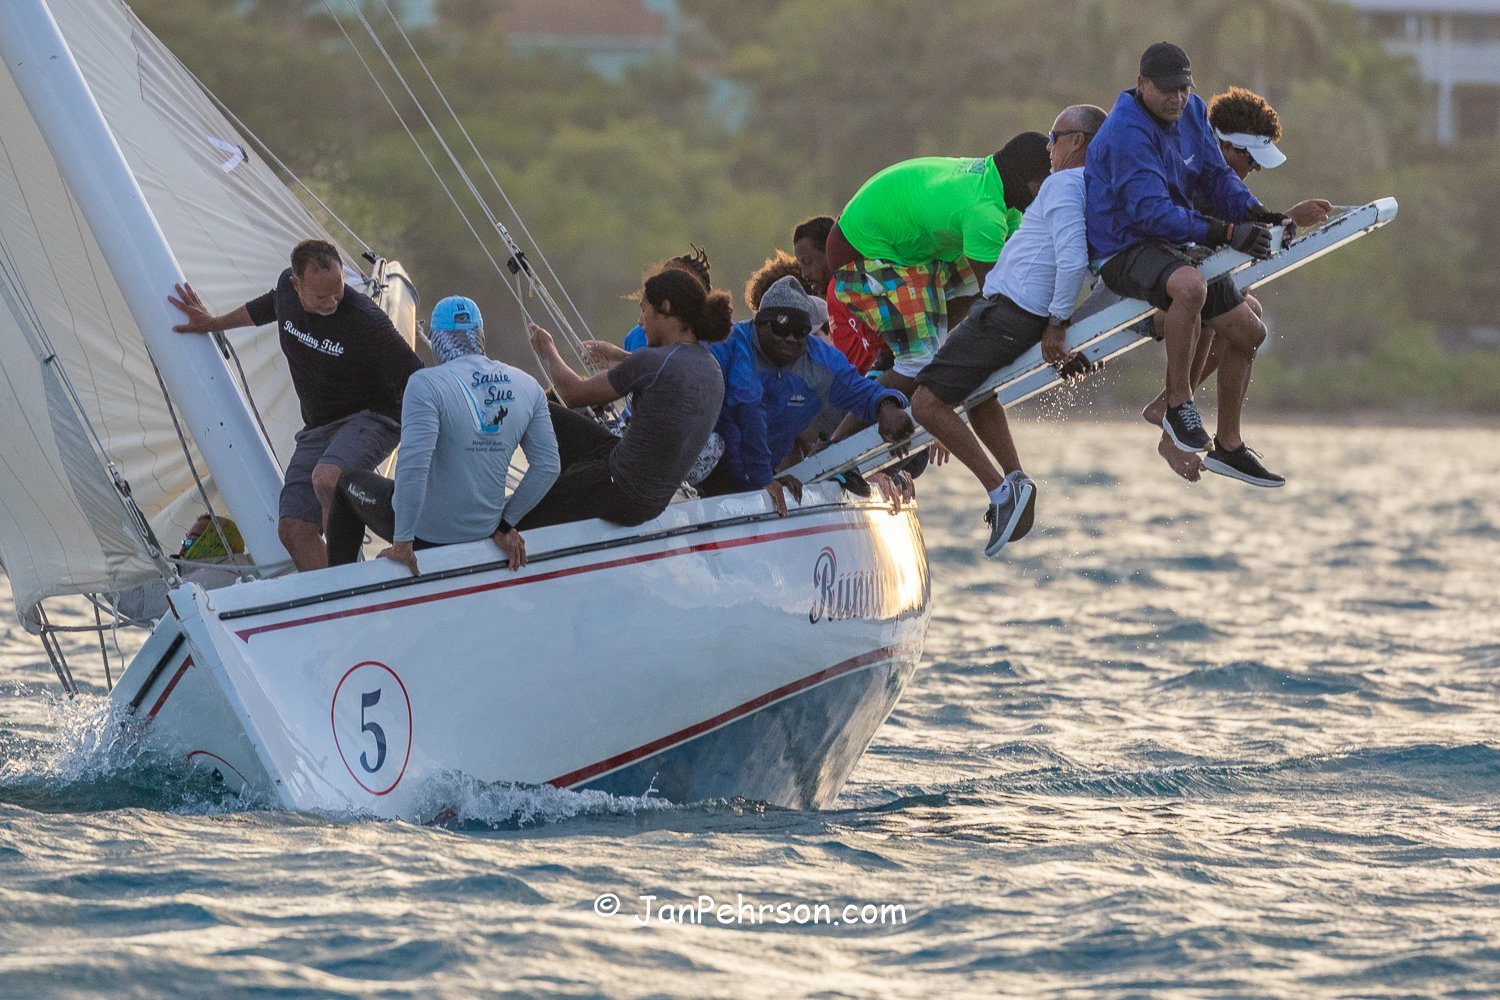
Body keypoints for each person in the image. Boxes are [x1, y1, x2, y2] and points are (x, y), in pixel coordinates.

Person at [1086, 42, 1310, 488]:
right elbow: (1151, 214)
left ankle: (1229, 446)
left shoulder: (1191, 111)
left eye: (1184, 88)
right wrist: (1228, 233)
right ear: (1142, 85)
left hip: (1173, 243)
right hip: (1122, 247)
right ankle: (1177, 404)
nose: (1178, 98)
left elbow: (1216, 175)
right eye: (1167, 90)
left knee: (1250, 332)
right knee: (1190, 286)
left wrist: (1256, 213)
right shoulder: (1125, 133)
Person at [911, 104, 1107, 556]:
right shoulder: (1088, 186)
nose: (1048, 148)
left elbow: (1073, 260)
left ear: (1078, 141)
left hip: (1008, 313)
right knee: (978, 395)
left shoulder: (1062, 184)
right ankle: (1015, 478)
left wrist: (1058, 324)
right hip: (1012, 312)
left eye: (1054, 138)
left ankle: (1001, 491)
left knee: (926, 403)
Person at [168, 239, 423, 570]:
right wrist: (211, 323)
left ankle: (350, 577)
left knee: (327, 478)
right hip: (320, 426)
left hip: (376, 416)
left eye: (338, 291)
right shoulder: (285, 294)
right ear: (296, 285)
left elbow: (419, 379)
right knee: (292, 528)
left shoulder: (365, 320)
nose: (332, 302)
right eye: (321, 296)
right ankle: (330, 596)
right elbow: (265, 307)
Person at [1141, 86, 1333, 480]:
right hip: (1153, 291)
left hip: (1185, 285)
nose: (1256, 169)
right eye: (1252, 159)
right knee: (1249, 326)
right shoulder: (1197, 171)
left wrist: (1287, 219)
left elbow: (1234, 239)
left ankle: (1172, 410)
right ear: (1226, 146)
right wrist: (1287, 219)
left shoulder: (1218, 176)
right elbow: (1208, 236)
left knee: (1249, 310)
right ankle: (1220, 439)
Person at [323, 296, 559, 575]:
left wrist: (403, 542)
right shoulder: (528, 386)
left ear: (436, 339)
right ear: (480, 335)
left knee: (345, 485)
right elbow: (548, 467)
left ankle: (339, 585)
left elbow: (414, 465)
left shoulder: (426, 384)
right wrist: (505, 524)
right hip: (484, 527)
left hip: (427, 534)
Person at [826, 133, 1053, 396]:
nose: (1047, 194)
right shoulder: (983, 212)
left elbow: (1018, 266)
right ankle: (857, 415)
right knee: (920, 364)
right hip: (858, 251)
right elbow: (999, 296)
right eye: (1044, 184)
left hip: (906, 248)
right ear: (1025, 178)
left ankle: (915, 348)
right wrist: (1052, 326)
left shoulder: (999, 189)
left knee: (984, 277)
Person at [521, 265, 730, 529]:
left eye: (644, 309)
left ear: (665, 307)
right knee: (547, 412)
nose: (641, 322)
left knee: (528, 404)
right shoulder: (711, 368)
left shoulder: (653, 362)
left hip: (619, 490)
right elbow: (667, 375)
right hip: (654, 500)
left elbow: (571, 393)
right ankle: (563, 479)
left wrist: (547, 349)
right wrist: (621, 357)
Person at [699, 275, 912, 515]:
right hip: (703, 468)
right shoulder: (727, 344)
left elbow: (861, 390)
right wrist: (762, 477)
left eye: (800, 331)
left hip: (755, 479)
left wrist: (887, 405)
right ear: (759, 323)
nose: (790, 338)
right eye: (780, 328)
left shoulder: (821, 360)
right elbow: (746, 408)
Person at [795, 215, 881, 373]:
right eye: (801, 266)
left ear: (829, 251)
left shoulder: (840, 288)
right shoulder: (837, 290)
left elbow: (878, 348)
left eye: (807, 262)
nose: (804, 274)